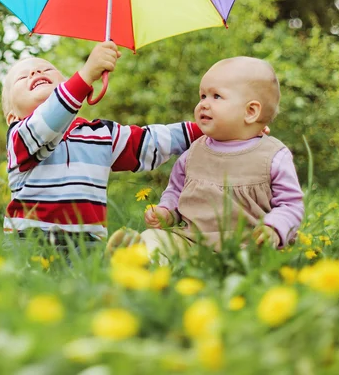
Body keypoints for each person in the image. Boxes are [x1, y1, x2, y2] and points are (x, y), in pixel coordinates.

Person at [1, 40, 202, 249]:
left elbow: (149, 141)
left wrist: (205, 129)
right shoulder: (19, 137)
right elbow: (50, 118)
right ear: (12, 117)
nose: (36, 72)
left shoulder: (99, 134)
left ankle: (123, 258)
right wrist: (86, 74)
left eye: (47, 69)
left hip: (87, 246)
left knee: (91, 278)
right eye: (23, 77)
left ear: (63, 83)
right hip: (28, 243)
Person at [108, 56, 304, 261]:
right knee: (156, 238)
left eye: (216, 96)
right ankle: (139, 259)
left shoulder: (273, 156)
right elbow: (176, 191)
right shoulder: (193, 153)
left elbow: (290, 205)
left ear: (251, 111)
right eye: (202, 96)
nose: (203, 104)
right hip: (192, 242)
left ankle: (143, 260)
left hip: (248, 247)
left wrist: (274, 228)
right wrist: (166, 211)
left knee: (258, 260)